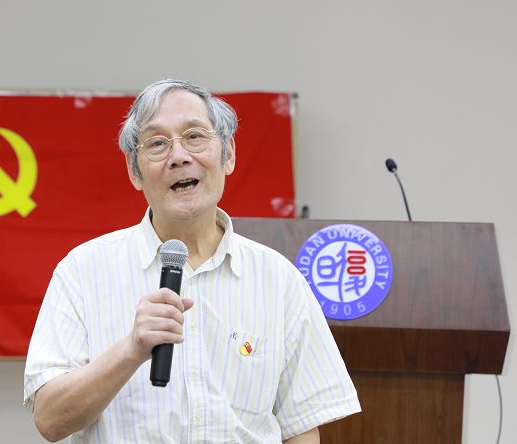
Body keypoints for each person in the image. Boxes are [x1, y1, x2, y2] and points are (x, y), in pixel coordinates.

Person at [23, 79, 360, 443]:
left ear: (228, 154)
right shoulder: (82, 271)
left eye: (195, 137)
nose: (179, 156)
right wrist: (130, 349)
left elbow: (301, 427)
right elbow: (50, 420)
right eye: (157, 143)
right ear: (135, 171)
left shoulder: (279, 280)